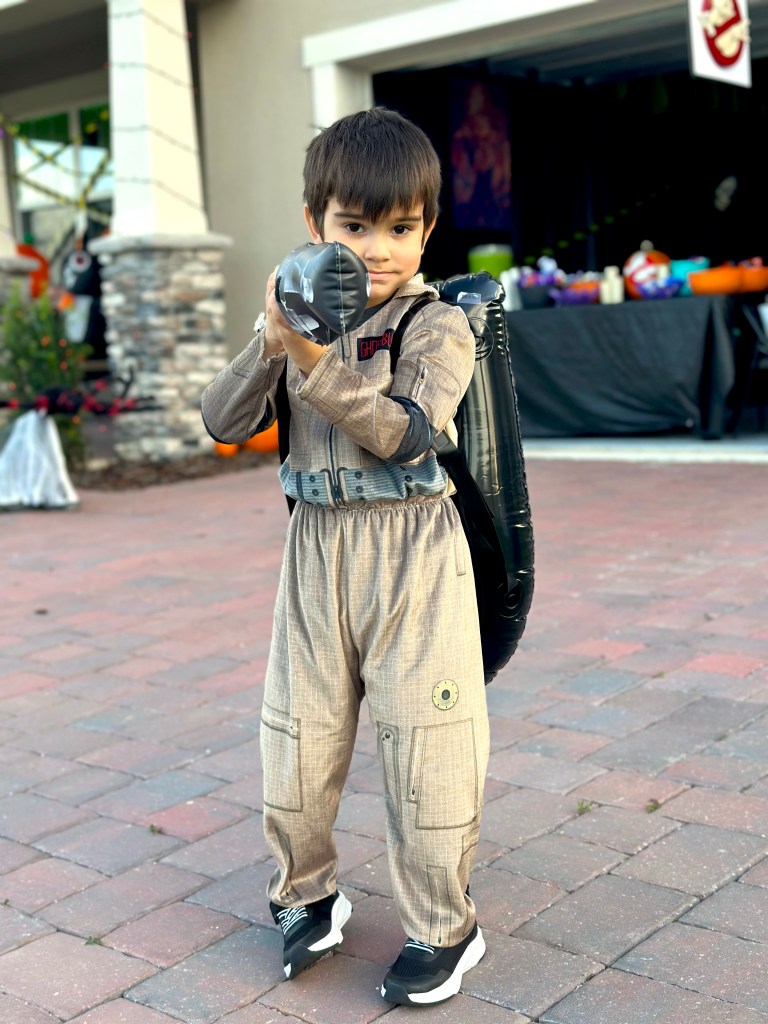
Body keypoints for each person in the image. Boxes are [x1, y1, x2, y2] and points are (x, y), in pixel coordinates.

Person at [201, 107, 489, 1007]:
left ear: (427, 230)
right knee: (296, 740)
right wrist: (271, 336)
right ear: (314, 223)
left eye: (400, 229)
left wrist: (314, 358)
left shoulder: (437, 324)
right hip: (315, 550)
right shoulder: (295, 319)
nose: (377, 250)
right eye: (354, 227)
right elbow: (222, 421)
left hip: (413, 553)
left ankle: (445, 926)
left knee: (426, 747)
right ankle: (307, 898)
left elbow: (405, 433)